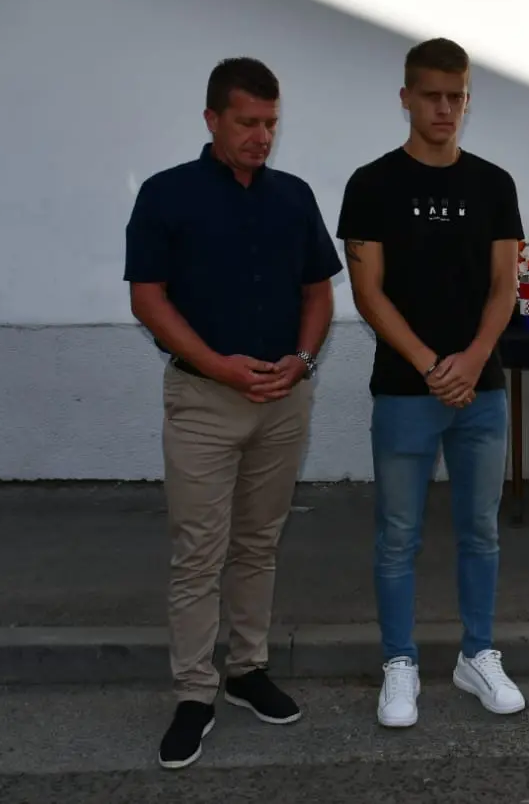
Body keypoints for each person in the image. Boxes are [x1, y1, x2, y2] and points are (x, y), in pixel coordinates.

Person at [124, 57, 343, 769]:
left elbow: (318, 292)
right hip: (203, 401)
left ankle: (247, 670)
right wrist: (219, 366)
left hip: (283, 399)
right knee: (199, 550)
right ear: (212, 119)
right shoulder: (166, 194)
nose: (261, 136)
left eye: (271, 123)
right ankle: (195, 692)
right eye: (247, 122)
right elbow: (147, 298)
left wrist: (302, 360)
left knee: (258, 542)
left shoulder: (293, 196)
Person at [337, 37, 526, 729]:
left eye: (457, 97)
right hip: (403, 390)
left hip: (482, 390)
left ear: (467, 101)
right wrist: (429, 365)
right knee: (397, 535)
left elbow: (505, 286)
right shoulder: (371, 184)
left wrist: (472, 360)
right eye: (432, 96)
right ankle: (400, 663)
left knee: (480, 530)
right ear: (406, 98)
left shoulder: (494, 184)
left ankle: (477, 654)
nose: (445, 109)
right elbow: (369, 293)